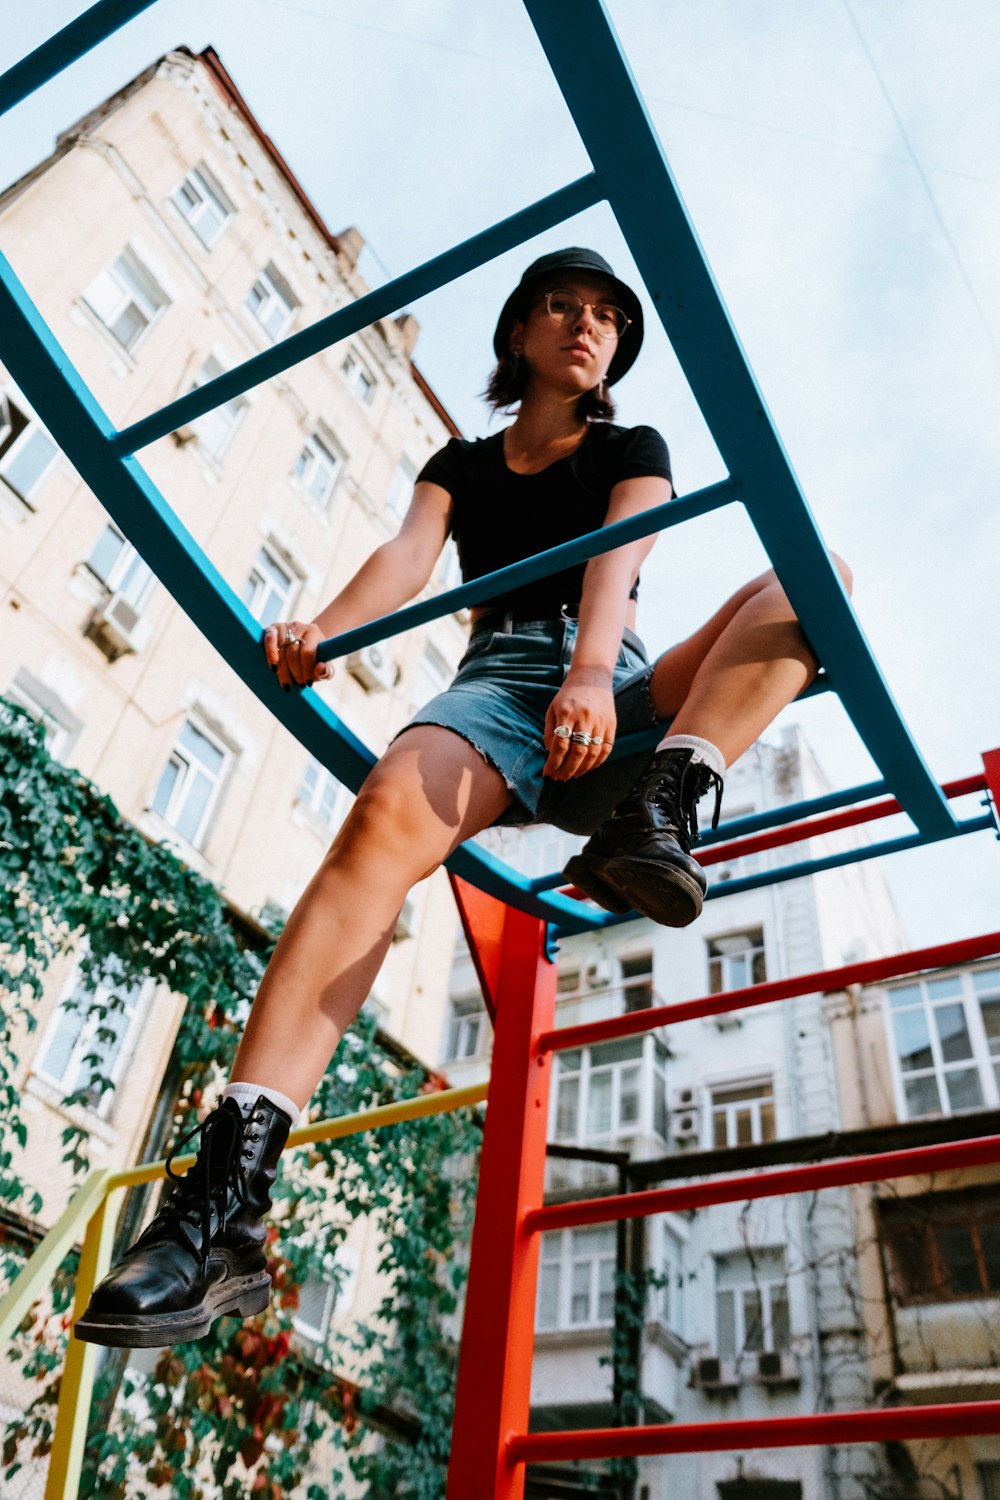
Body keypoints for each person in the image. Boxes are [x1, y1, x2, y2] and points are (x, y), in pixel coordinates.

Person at [74, 248, 850, 1349]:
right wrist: (327, 629)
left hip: (614, 685)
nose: (589, 327)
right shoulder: (460, 461)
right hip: (494, 689)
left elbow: (619, 557)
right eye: (563, 307)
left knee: (818, 575)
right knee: (381, 820)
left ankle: (663, 805)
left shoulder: (633, 447)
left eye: (609, 318)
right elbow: (409, 551)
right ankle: (222, 1213)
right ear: (520, 333)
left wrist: (590, 673)